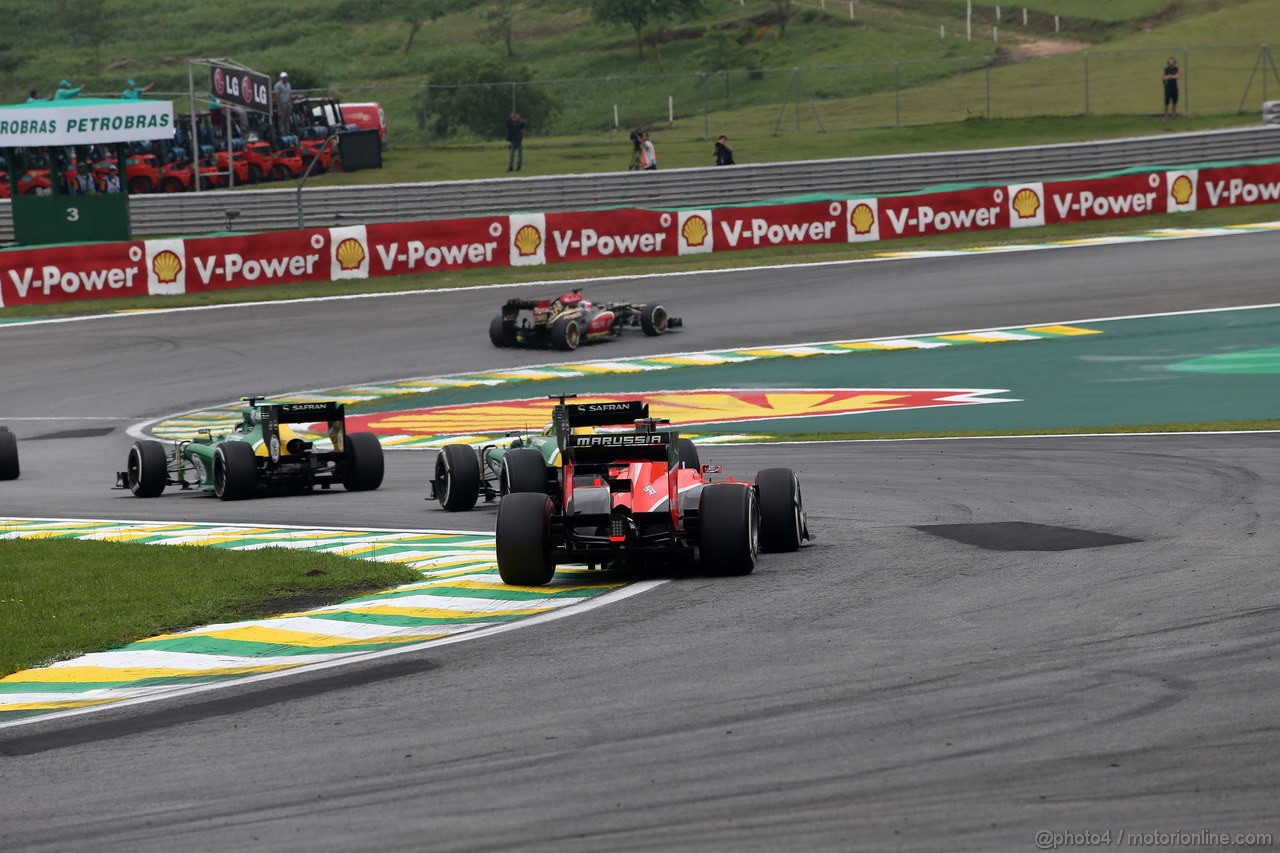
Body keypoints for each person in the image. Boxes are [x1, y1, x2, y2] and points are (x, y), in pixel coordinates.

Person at [274, 72, 293, 136]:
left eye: (285, 77)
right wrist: (280, 104)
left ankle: (287, 131)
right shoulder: (277, 85)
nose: (285, 79)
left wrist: (290, 102)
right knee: (282, 119)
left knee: (287, 118)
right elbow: (277, 95)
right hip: (282, 103)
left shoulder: (288, 84)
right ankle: (282, 132)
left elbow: (289, 93)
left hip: (288, 103)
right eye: (283, 78)